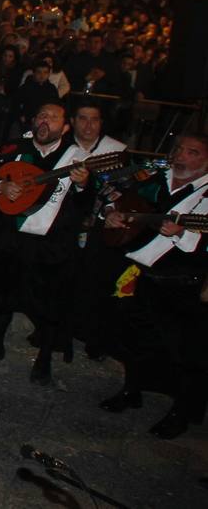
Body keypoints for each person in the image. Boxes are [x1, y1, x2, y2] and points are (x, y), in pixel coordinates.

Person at [0, 102, 92, 385]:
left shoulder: (76, 159)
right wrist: (1, 186)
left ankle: (44, 359)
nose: (45, 121)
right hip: (11, 239)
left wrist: (83, 185)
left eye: (53, 117)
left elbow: (87, 204)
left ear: (65, 126)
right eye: (41, 115)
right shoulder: (14, 148)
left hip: (50, 246)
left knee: (47, 306)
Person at [100, 133, 208, 439]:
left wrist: (181, 234)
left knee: (184, 354)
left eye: (193, 152)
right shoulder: (153, 179)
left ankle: (180, 412)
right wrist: (110, 215)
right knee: (135, 339)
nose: (182, 157)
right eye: (178, 150)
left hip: (183, 286)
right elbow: (114, 199)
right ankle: (132, 389)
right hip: (144, 278)